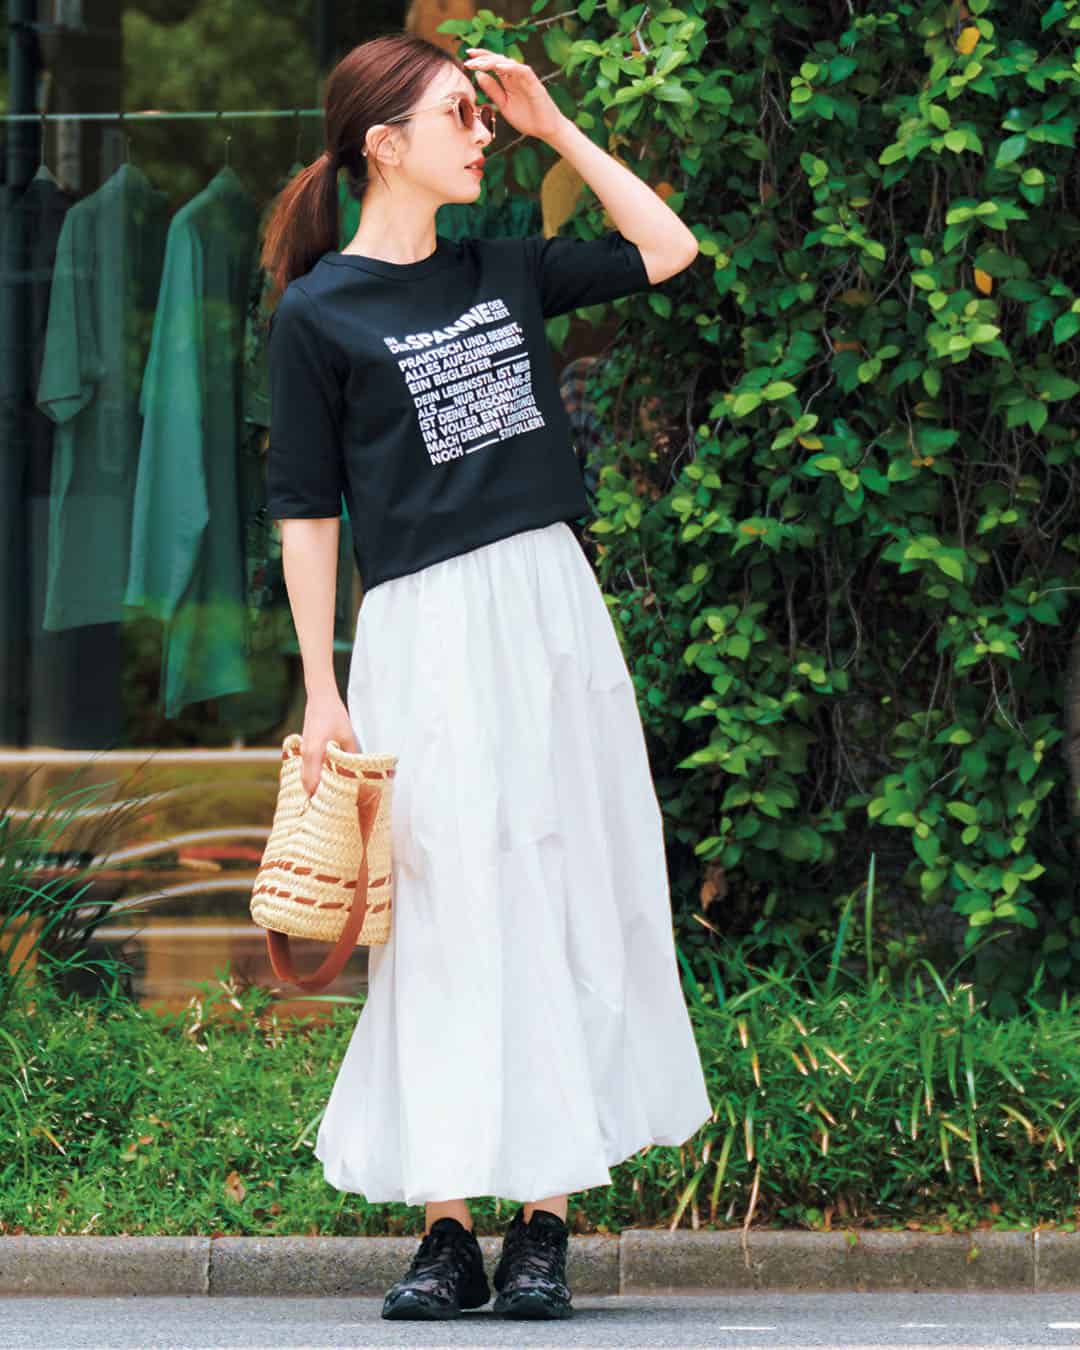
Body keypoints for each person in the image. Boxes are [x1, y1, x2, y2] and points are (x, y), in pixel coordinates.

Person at [260, 30, 711, 1323]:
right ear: (382, 145)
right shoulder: (318, 313)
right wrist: (322, 686)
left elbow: (667, 248)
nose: (482, 134)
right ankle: (446, 1227)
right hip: (421, 628)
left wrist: (556, 125)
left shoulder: (503, 268)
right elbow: (306, 510)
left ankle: (544, 1225)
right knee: (444, 911)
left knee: (557, 887)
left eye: (484, 114)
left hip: (547, 616)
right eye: (460, 114)